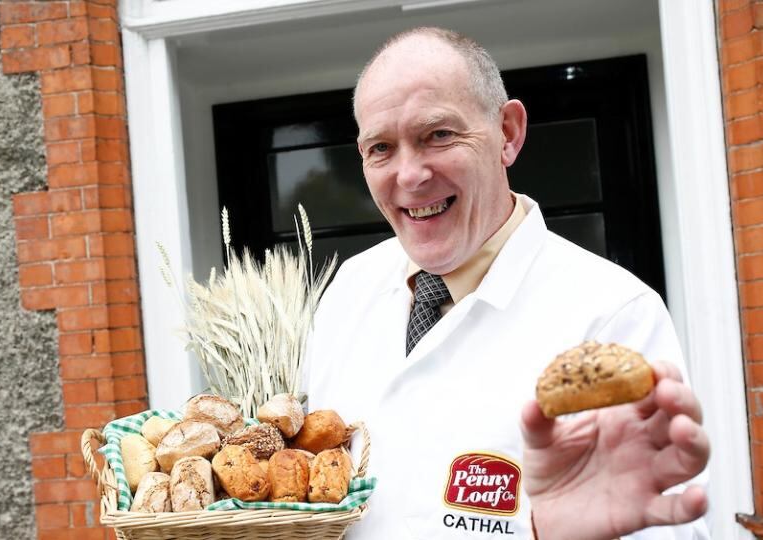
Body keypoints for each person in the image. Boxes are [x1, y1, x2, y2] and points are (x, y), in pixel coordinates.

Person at [304, 27, 710, 539]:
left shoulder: (611, 314)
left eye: (439, 135)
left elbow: (666, 523)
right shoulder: (347, 290)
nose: (409, 175)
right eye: (381, 148)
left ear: (508, 133)